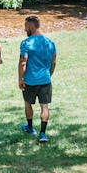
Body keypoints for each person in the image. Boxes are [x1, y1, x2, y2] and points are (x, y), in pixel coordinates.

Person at [18, 15, 57, 144]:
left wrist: (20, 79)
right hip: (45, 80)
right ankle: (42, 133)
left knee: (28, 103)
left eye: (26, 26)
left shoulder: (26, 43)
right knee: (44, 106)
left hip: (30, 81)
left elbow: (23, 62)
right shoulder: (50, 42)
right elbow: (53, 62)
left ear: (31, 26)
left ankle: (30, 128)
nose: (25, 29)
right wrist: (49, 74)